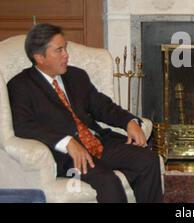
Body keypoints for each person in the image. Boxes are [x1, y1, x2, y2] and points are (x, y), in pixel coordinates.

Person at [7, 23, 163, 203]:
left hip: (99, 142)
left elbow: (102, 106)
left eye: (65, 48)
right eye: (59, 50)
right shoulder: (20, 86)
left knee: (147, 160)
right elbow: (23, 126)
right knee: (107, 181)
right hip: (67, 156)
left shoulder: (76, 76)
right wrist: (66, 142)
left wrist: (129, 121)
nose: (66, 54)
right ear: (39, 57)